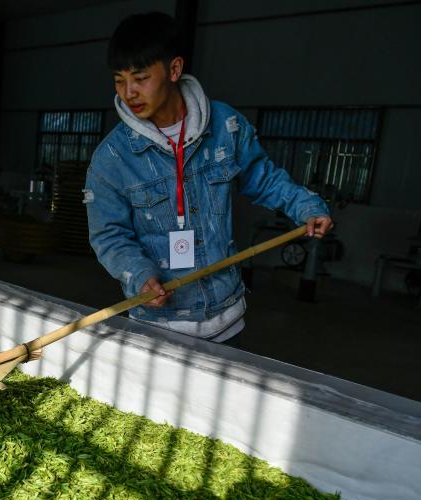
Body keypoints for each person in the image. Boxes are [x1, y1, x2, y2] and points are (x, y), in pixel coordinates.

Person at [84, 12, 333, 345]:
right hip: (158, 327)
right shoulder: (112, 158)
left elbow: (263, 178)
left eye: (140, 78)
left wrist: (306, 207)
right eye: (119, 80)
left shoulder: (225, 126)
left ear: (174, 69)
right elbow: (109, 235)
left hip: (228, 318)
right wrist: (140, 277)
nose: (129, 92)